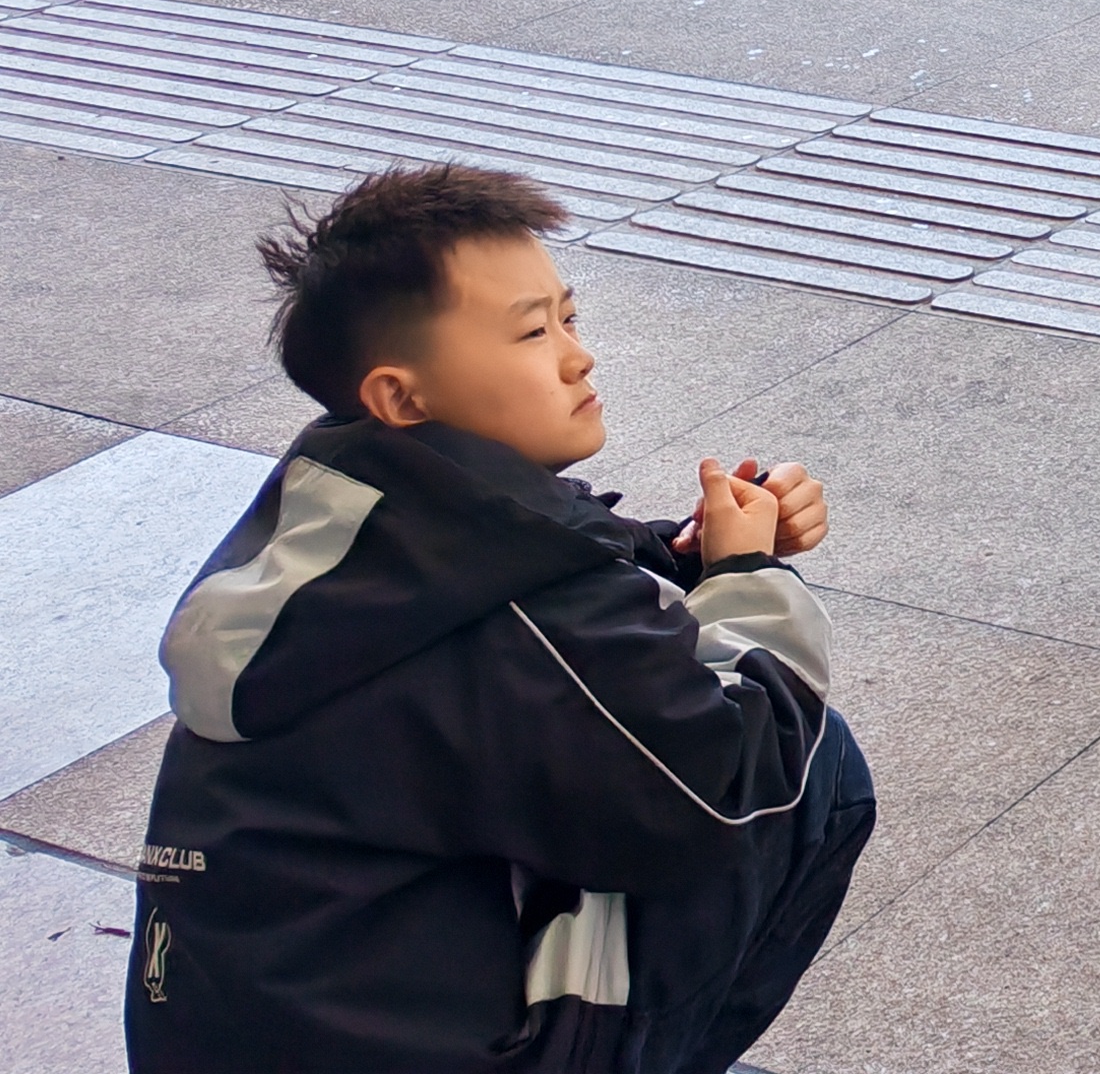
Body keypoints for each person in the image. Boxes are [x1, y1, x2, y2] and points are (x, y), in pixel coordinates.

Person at [131, 166, 871, 1074]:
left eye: (569, 317)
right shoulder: (521, 614)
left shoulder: (340, 508)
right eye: (532, 331)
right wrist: (748, 579)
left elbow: (546, 578)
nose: (577, 357)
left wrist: (686, 556)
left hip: (237, 1033)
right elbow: (722, 787)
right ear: (401, 396)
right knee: (805, 763)